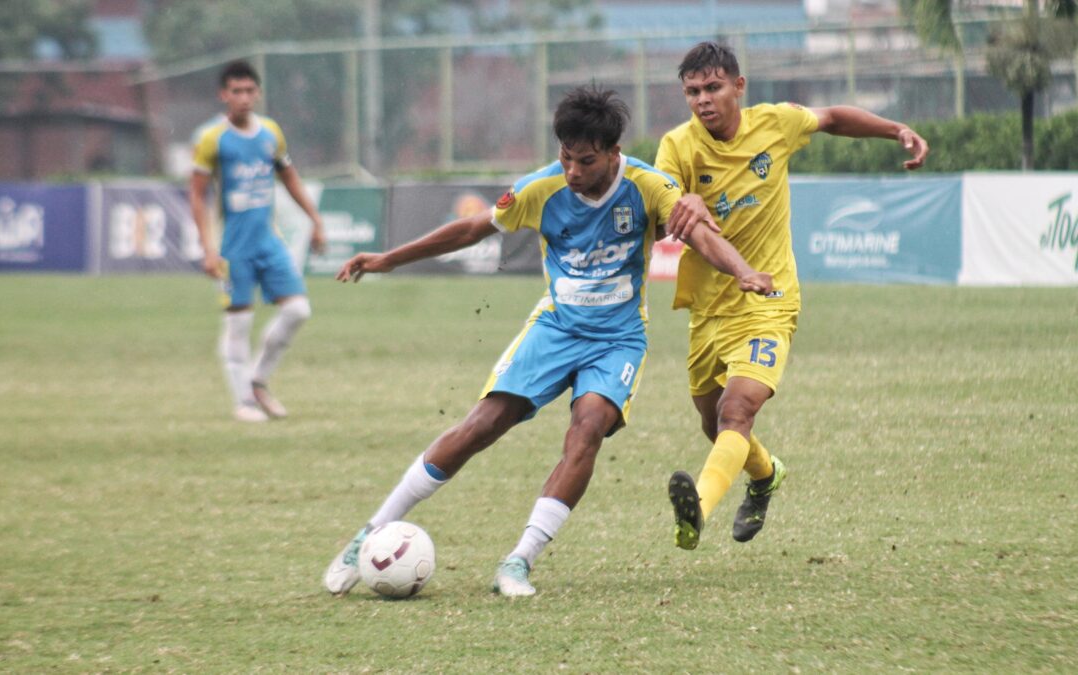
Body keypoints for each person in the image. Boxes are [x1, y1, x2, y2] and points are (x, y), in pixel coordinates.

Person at [323, 85, 773, 598]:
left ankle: (518, 562)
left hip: (618, 339)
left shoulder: (648, 186)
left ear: (613, 153)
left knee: (587, 431)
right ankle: (367, 536)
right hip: (554, 328)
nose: (573, 171)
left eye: (586, 161)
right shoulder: (540, 188)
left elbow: (700, 234)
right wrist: (388, 259)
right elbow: (471, 229)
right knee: (481, 425)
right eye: (565, 157)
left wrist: (743, 271)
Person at [656, 42, 929, 550]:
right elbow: (665, 203)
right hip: (709, 310)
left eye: (713, 87)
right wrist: (682, 199)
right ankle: (765, 475)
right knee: (713, 424)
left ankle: (697, 512)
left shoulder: (775, 124)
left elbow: (832, 117)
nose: (703, 100)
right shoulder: (677, 146)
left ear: (739, 87)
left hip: (769, 299)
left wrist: (895, 129)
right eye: (692, 92)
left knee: (737, 412)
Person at [189, 60, 326, 423]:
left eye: (250, 91)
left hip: (269, 241)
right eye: (237, 91)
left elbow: (290, 177)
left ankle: (256, 380)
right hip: (232, 248)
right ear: (224, 95)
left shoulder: (270, 133)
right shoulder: (212, 139)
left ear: (259, 93)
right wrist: (207, 249)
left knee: (298, 310)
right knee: (238, 325)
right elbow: (197, 195)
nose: (244, 98)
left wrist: (315, 220)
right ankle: (244, 403)